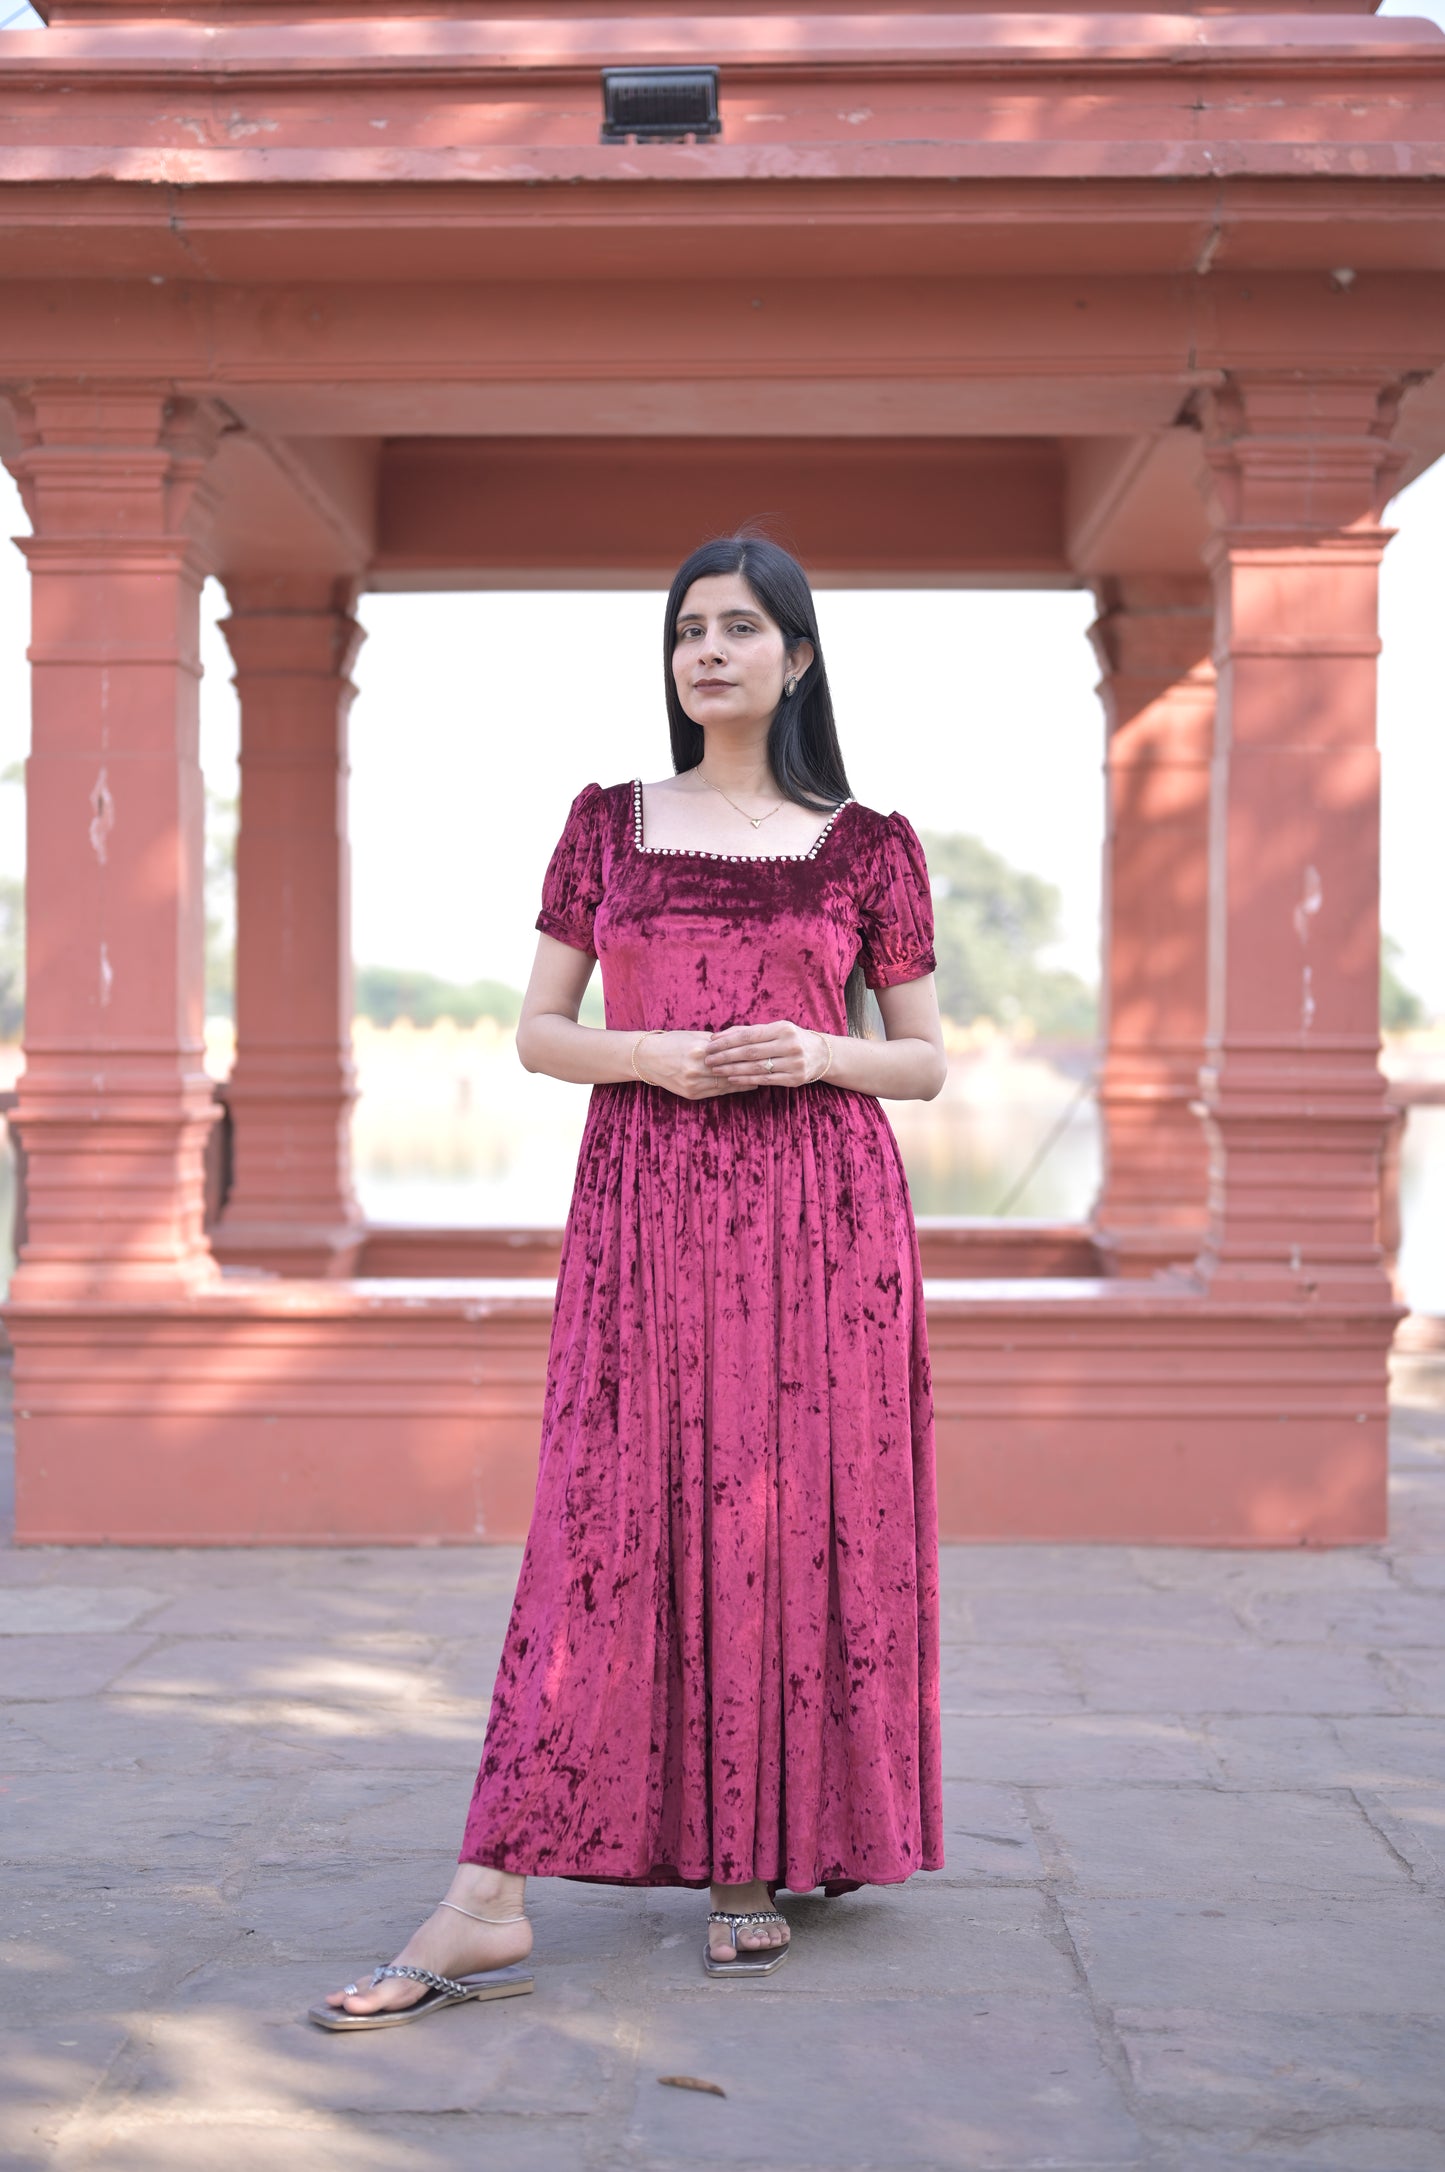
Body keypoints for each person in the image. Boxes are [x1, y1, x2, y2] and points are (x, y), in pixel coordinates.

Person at [311, 533, 946, 2030]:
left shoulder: (866, 845)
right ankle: (489, 1892)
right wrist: (654, 1055)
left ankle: (750, 1860)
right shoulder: (606, 827)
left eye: (738, 629)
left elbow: (922, 1060)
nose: (706, 652)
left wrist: (814, 1049)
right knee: (608, 1516)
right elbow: (537, 1031)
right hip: (648, 1208)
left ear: (796, 657)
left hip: (822, 1221)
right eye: (686, 631)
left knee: (787, 1515)